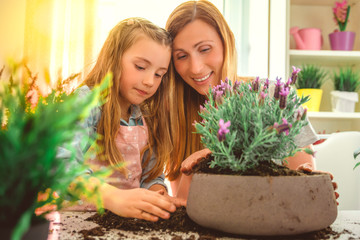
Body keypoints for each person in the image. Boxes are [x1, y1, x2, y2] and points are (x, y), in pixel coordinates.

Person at [164, 0, 338, 202]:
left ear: (226, 42)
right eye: (181, 56)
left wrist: (311, 188)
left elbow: (301, 176)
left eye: (204, 49)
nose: (195, 67)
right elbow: (182, 202)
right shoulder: (175, 114)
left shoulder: (276, 95)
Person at [58, 17, 184, 222]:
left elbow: (150, 177)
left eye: (159, 74)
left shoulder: (146, 116)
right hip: (78, 222)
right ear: (113, 58)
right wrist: (113, 198)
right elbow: (62, 165)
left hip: (125, 226)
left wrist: (157, 194)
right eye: (141, 67)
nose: (149, 81)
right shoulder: (87, 103)